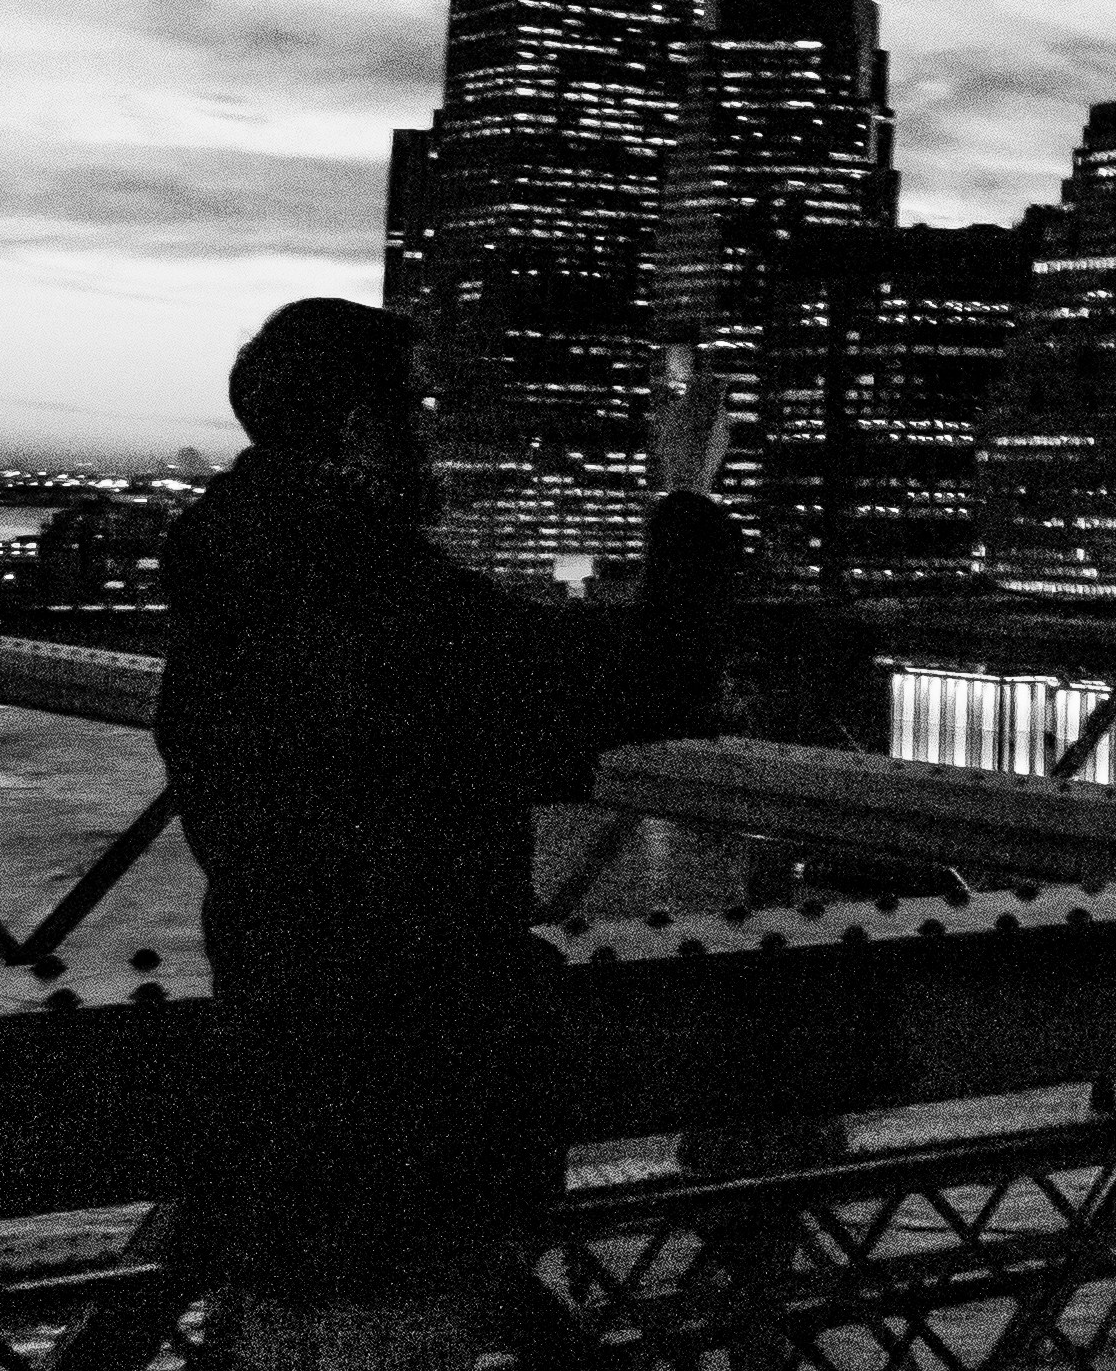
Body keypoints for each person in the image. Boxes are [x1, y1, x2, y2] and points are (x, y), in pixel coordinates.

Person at [156, 300, 739, 1356]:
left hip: (277, 1056)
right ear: (355, 432)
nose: (428, 440)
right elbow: (644, 674)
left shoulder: (231, 574)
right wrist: (687, 493)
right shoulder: (367, 596)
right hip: (403, 1100)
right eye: (412, 413)